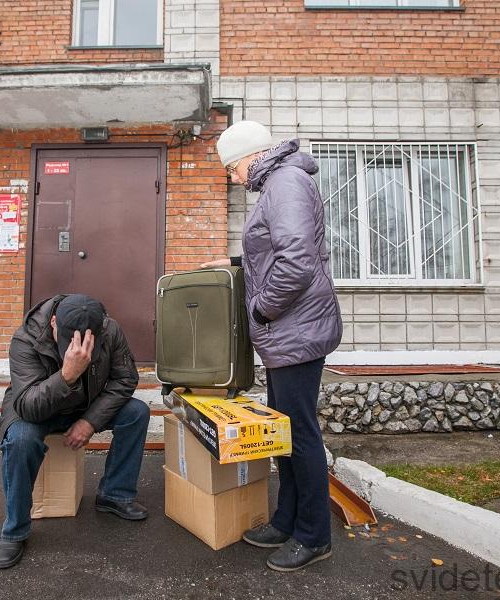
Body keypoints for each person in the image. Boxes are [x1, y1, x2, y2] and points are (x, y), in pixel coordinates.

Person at [203, 120, 342, 572]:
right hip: (291, 331)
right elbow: (276, 248)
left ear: (248, 157)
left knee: (300, 436)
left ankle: (313, 535)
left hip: (295, 329)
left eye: (231, 167)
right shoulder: (280, 184)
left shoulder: (285, 183)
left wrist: (260, 310)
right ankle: (287, 520)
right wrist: (233, 262)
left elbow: (297, 261)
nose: (233, 177)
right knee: (287, 434)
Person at [0, 293, 149, 569]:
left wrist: (90, 421)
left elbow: (126, 378)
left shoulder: (110, 329)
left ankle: (114, 495)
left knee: (137, 413)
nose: (76, 349)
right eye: (68, 342)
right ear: (53, 322)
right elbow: (28, 405)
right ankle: (14, 530)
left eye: (88, 343)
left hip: (86, 404)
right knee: (20, 440)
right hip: (38, 408)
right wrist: (67, 375)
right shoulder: (25, 339)